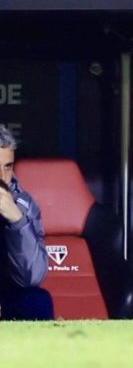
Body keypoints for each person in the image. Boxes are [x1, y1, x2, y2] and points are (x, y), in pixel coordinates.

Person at [0, 124, 53, 320]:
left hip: (7, 296)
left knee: (37, 300)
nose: (2, 177)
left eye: (7, 167)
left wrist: (17, 220)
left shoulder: (23, 204)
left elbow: (32, 277)